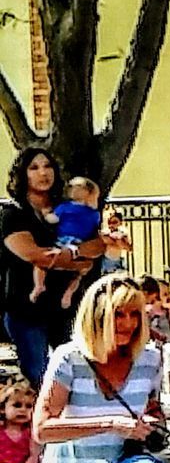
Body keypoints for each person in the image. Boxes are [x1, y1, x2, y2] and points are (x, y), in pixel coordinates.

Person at [2, 275, 169, 463]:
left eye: (135, 314)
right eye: (118, 314)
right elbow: (41, 429)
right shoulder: (69, 358)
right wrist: (109, 424)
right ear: (98, 315)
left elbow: (154, 410)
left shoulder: (150, 359)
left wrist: (153, 423)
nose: (128, 324)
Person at [0, 148, 105, 387]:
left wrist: (76, 253)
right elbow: (33, 254)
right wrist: (78, 261)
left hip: (68, 308)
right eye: (34, 168)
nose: (43, 173)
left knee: (78, 374)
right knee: (40, 376)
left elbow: (97, 244)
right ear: (23, 174)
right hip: (27, 309)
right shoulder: (13, 213)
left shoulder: (69, 207)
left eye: (47, 166)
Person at [31, 177, 101, 311]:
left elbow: (52, 220)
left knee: (41, 262)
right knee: (78, 274)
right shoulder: (94, 214)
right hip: (78, 243)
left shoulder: (65, 208)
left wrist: (45, 213)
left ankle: (39, 285)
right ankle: (68, 292)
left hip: (62, 241)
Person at [0, 381, 40, 463]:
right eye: (17, 405)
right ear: (3, 408)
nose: (23, 410)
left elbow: (34, 456)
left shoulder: (32, 433)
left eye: (28, 406)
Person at [99, 208, 132, 275]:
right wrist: (116, 242)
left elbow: (129, 248)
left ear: (120, 222)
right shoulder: (105, 233)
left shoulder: (123, 233)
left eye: (114, 222)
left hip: (118, 260)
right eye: (109, 222)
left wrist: (120, 242)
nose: (111, 225)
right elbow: (105, 240)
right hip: (107, 261)